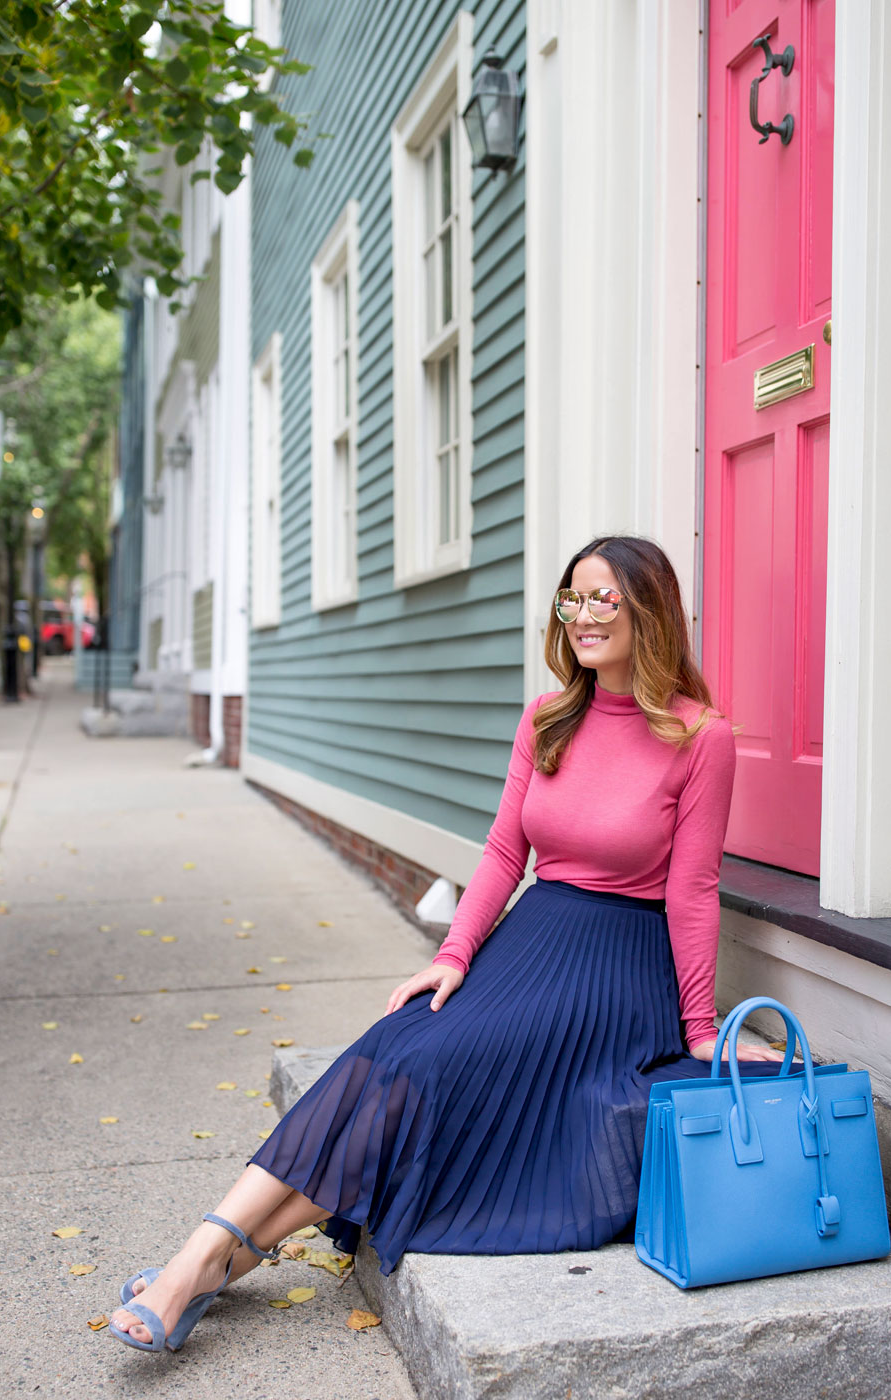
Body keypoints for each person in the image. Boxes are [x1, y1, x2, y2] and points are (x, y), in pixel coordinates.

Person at [109, 533, 784, 1352]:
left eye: (604, 597)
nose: (583, 615)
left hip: (615, 968)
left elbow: (693, 890)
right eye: (573, 597)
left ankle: (201, 1267)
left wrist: (702, 1027)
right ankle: (206, 1260)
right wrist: (455, 954)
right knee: (396, 1043)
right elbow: (506, 852)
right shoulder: (547, 718)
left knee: (426, 1069)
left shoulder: (699, 736)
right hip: (530, 939)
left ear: (651, 610)